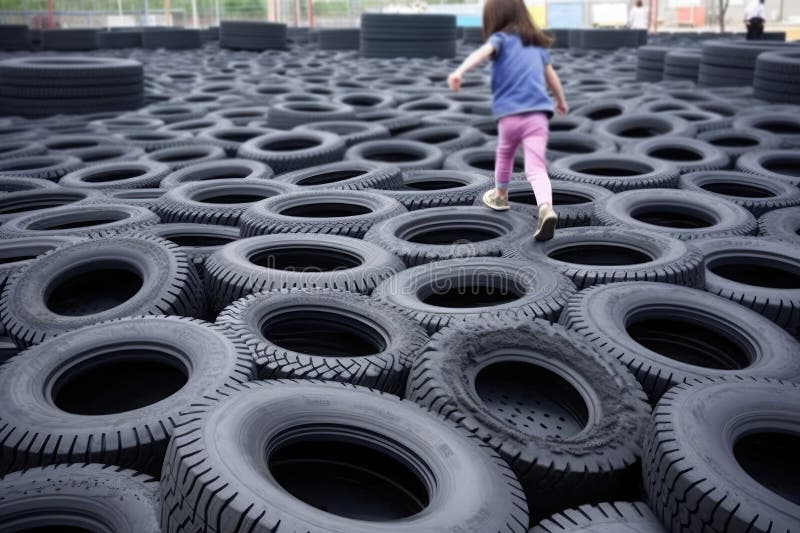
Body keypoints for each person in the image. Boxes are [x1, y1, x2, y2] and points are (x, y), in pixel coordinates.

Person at [447, 0, 566, 241]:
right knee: (536, 167)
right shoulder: (535, 45)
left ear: (494, 16)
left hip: (510, 115)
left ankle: (500, 195)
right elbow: (551, 77)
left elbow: (482, 53)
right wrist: (561, 101)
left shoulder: (500, 39)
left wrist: (459, 71)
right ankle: (545, 207)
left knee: (505, 154)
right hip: (538, 115)